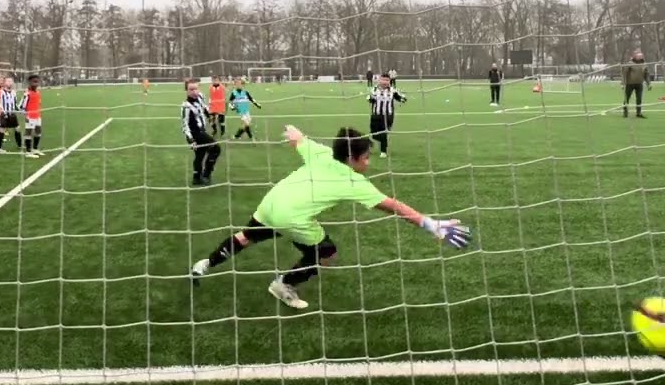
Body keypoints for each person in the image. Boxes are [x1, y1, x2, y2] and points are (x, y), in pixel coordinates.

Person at [190, 124, 470, 309]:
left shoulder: (323, 153)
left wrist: (295, 134)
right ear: (352, 159)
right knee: (328, 254)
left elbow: (300, 141)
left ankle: (205, 263)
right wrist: (430, 224)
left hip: (272, 202)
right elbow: (394, 206)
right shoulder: (354, 181)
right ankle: (284, 284)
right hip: (293, 217)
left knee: (245, 237)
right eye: (366, 157)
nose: (368, 163)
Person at [182, 78, 220, 186]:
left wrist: (210, 116)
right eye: (191, 89)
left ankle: (196, 178)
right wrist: (191, 140)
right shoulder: (186, 106)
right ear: (187, 91)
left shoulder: (200, 96)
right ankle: (206, 174)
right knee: (216, 148)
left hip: (202, 130)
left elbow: (204, 107)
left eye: (196, 89)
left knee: (200, 154)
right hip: (195, 133)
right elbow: (184, 125)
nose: (194, 91)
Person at [368, 72, 407, 158]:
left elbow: (401, 97)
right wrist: (371, 99)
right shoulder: (374, 89)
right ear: (379, 80)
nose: (385, 82)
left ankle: (383, 151)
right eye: (383, 79)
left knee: (383, 133)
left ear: (389, 81)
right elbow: (369, 99)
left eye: (387, 80)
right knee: (374, 134)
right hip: (376, 115)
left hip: (388, 116)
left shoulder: (393, 90)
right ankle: (371, 143)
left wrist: (402, 99)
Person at [18, 74, 43, 158]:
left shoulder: (38, 92)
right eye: (34, 82)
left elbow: (38, 103)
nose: (36, 83)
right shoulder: (27, 93)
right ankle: (28, 152)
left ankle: (35, 149)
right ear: (30, 83)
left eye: (37, 81)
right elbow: (21, 106)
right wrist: (25, 115)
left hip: (38, 115)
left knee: (38, 132)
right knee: (28, 132)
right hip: (30, 116)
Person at [621, 51, 651, 118]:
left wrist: (649, 84)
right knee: (627, 98)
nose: (640, 57)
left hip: (639, 84)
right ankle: (625, 112)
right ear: (635, 56)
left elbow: (647, 75)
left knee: (639, 99)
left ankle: (638, 113)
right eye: (638, 56)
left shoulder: (644, 64)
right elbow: (624, 73)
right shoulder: (630, 64)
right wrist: (622, 83)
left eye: (641, 56)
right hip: (630, 84)